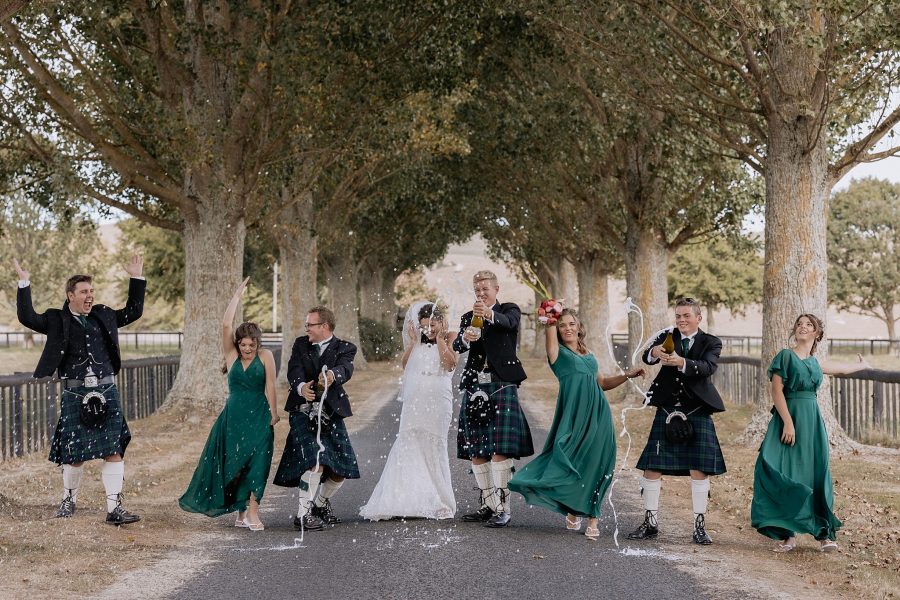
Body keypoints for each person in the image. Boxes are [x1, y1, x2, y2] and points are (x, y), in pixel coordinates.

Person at [14, 256, 145, 525]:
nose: (90, 296)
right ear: (70, 295)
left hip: (106, 390)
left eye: (91, 292)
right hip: (75, 393)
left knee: (113, 449)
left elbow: (133, 311)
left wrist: (136, 277)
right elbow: (27, 317)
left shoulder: (104, 314)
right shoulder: (56, 319)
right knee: (74, 454)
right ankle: (69, 499)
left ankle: (114, 509)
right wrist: (23, 282)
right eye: (84, 292)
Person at [509, 308, 645, 540]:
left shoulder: (589, 353)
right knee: (570, 459)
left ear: (579, 327)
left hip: (599, 414)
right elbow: (550, 330)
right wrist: (550, 315)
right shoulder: (557, 354)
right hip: (574, 416)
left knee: (599, 462)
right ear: (558, 330)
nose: (568, 328)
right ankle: (572, 508)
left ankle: (593, 516)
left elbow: (601, 382)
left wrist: (627, 375)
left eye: (572, 324)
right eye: (563, 325)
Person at [751, 314, 869, 553]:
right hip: (788, 419)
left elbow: (843, 369)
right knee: (777, 468)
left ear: (816, 333)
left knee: (816, 472)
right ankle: (787, 534)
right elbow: (777, 392)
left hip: (812, 422)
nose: (803, 327)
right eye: (799, 324)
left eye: (809, 325)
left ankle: (824, 534)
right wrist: (787, 423)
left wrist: (862, 365)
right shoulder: (785, 356)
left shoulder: (816, 363)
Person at [178, 278, 280, 530]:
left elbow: (270, 386)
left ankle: (254, 512)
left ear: (258, 344)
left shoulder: (266, 356)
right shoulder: (231, 355)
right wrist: (236, 296)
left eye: (251, 345)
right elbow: (225, 324)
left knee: (258, 461)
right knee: (234, 463)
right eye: (243, 344)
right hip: (233, 417)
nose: (246, 349)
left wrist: (275, 413)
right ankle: (240, 509)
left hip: (258, 414)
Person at [627, 297, 726, 545]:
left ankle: (699, 527)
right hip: (667, 409)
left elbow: (707, 367)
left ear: (698, 318)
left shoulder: (711, 342)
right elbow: (647, 358)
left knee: (699, 469)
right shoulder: (668, 335)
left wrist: (682, 362)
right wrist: (654, 351)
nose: (681, 320)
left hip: (697, 410)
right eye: (678, 316)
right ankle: (650, 524)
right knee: (652, 467)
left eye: (686, 316)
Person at [360, 302, 458, 521]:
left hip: (439, 401)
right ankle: (405, 499)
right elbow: (407, 365)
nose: (429, 330)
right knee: (409, 443)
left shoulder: (451, 336)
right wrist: (414, 342)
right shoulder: (418, 342)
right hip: (415, 401)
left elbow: (450, 364)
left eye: (432, 325)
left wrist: (441, 339)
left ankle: (438, 499)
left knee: (434, 445)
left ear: (441, 321)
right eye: (424, 326)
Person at [453, 270, 534, 528]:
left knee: (500, 449)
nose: (481, 293)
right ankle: (488, 505)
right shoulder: (468, 317)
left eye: (485, 289)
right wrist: (466, 337)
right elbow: (457, 346)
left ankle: (503, 508)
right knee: (478, 449)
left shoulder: (509, 309)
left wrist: (487, 314)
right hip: (476, 384)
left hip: (501, 383)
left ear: (496, 289)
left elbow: (508, 324)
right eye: (477, 290)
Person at [273, 306, 359, 531]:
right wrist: (301, 388)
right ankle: (303, 515)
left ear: (325, 326)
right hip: (302, 411)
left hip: (331, 414)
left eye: (310, 324)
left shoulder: (345, 347)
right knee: (316, 462)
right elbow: (294, 370)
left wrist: (332, 375)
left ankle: (319, 505)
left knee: (341, 470)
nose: (306, 328)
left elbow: (346, 369)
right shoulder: (301, 344)